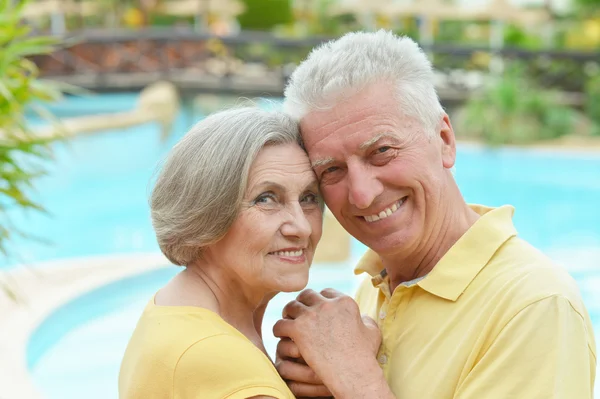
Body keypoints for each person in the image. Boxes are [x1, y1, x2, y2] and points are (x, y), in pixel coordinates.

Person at [273, 30, 597, 398]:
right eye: (331, 170)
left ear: (444, 140)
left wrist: (354, 376)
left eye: (381, 151)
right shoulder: (372, 288)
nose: (362, 195)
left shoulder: (535, 304)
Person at [118, 107, 323, 398]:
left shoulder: (173, 311)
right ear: (205, 213)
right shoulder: (220, 362)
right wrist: (354, 371)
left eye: (308, 198)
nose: (302, 227)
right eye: (266, 199)